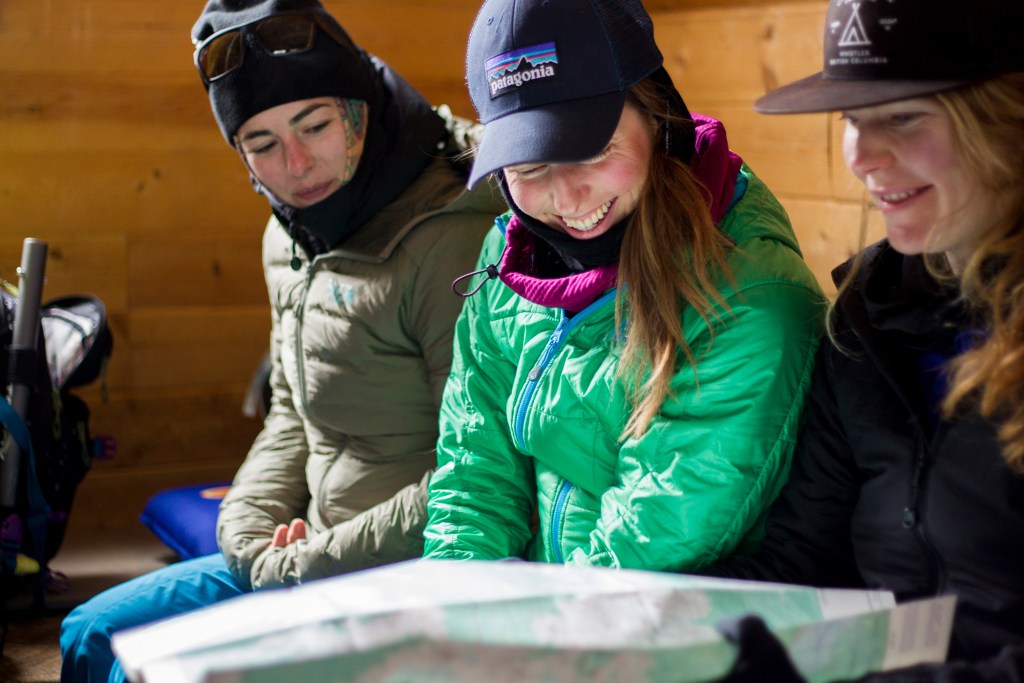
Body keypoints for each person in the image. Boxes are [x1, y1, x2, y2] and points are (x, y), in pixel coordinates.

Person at [59, 0, 502, 680]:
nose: (296, 164)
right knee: (88, 633)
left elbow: (476, 477)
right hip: (310, 549)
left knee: (143, 669)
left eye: (315, 125)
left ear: (359, 108)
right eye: (262, 144)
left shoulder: (452, 237)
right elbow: (292, 410)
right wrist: (247, 531)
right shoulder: (288, 234)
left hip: (408, 568)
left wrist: (305, 562)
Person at [421, 0, 826, 572]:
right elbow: (473, 475)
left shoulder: (747, 297)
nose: (566, 202)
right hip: (547, 614)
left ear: (658, 116)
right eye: (528, 167)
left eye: (590, 150)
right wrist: (451, 610)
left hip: (672, 630)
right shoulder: (512, 259)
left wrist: (515, 644)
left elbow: (645, 545)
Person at [702, 0, 1024, 680]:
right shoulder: (870, 313)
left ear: (1004, 120)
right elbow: (803, 555)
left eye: (901, 116)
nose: (861, 155)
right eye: (851, 119)